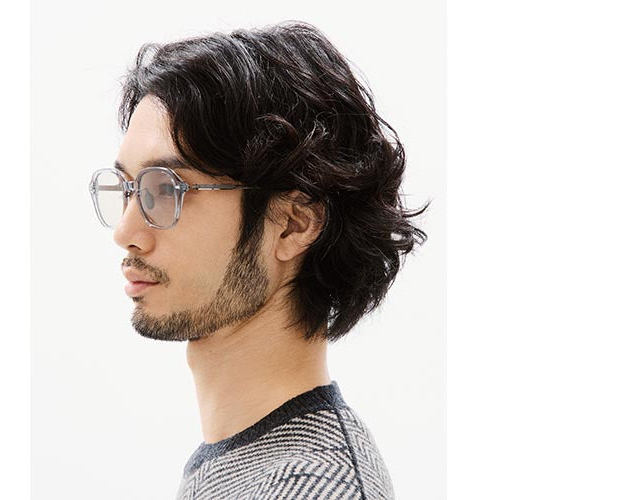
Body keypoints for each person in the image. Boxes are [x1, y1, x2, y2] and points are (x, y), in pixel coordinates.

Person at [88, 20, 427, 500]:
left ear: (293, 224)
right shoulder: (238, 466)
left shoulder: (312, 489)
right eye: (128, 188)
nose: (126, 233)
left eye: (165, 189)